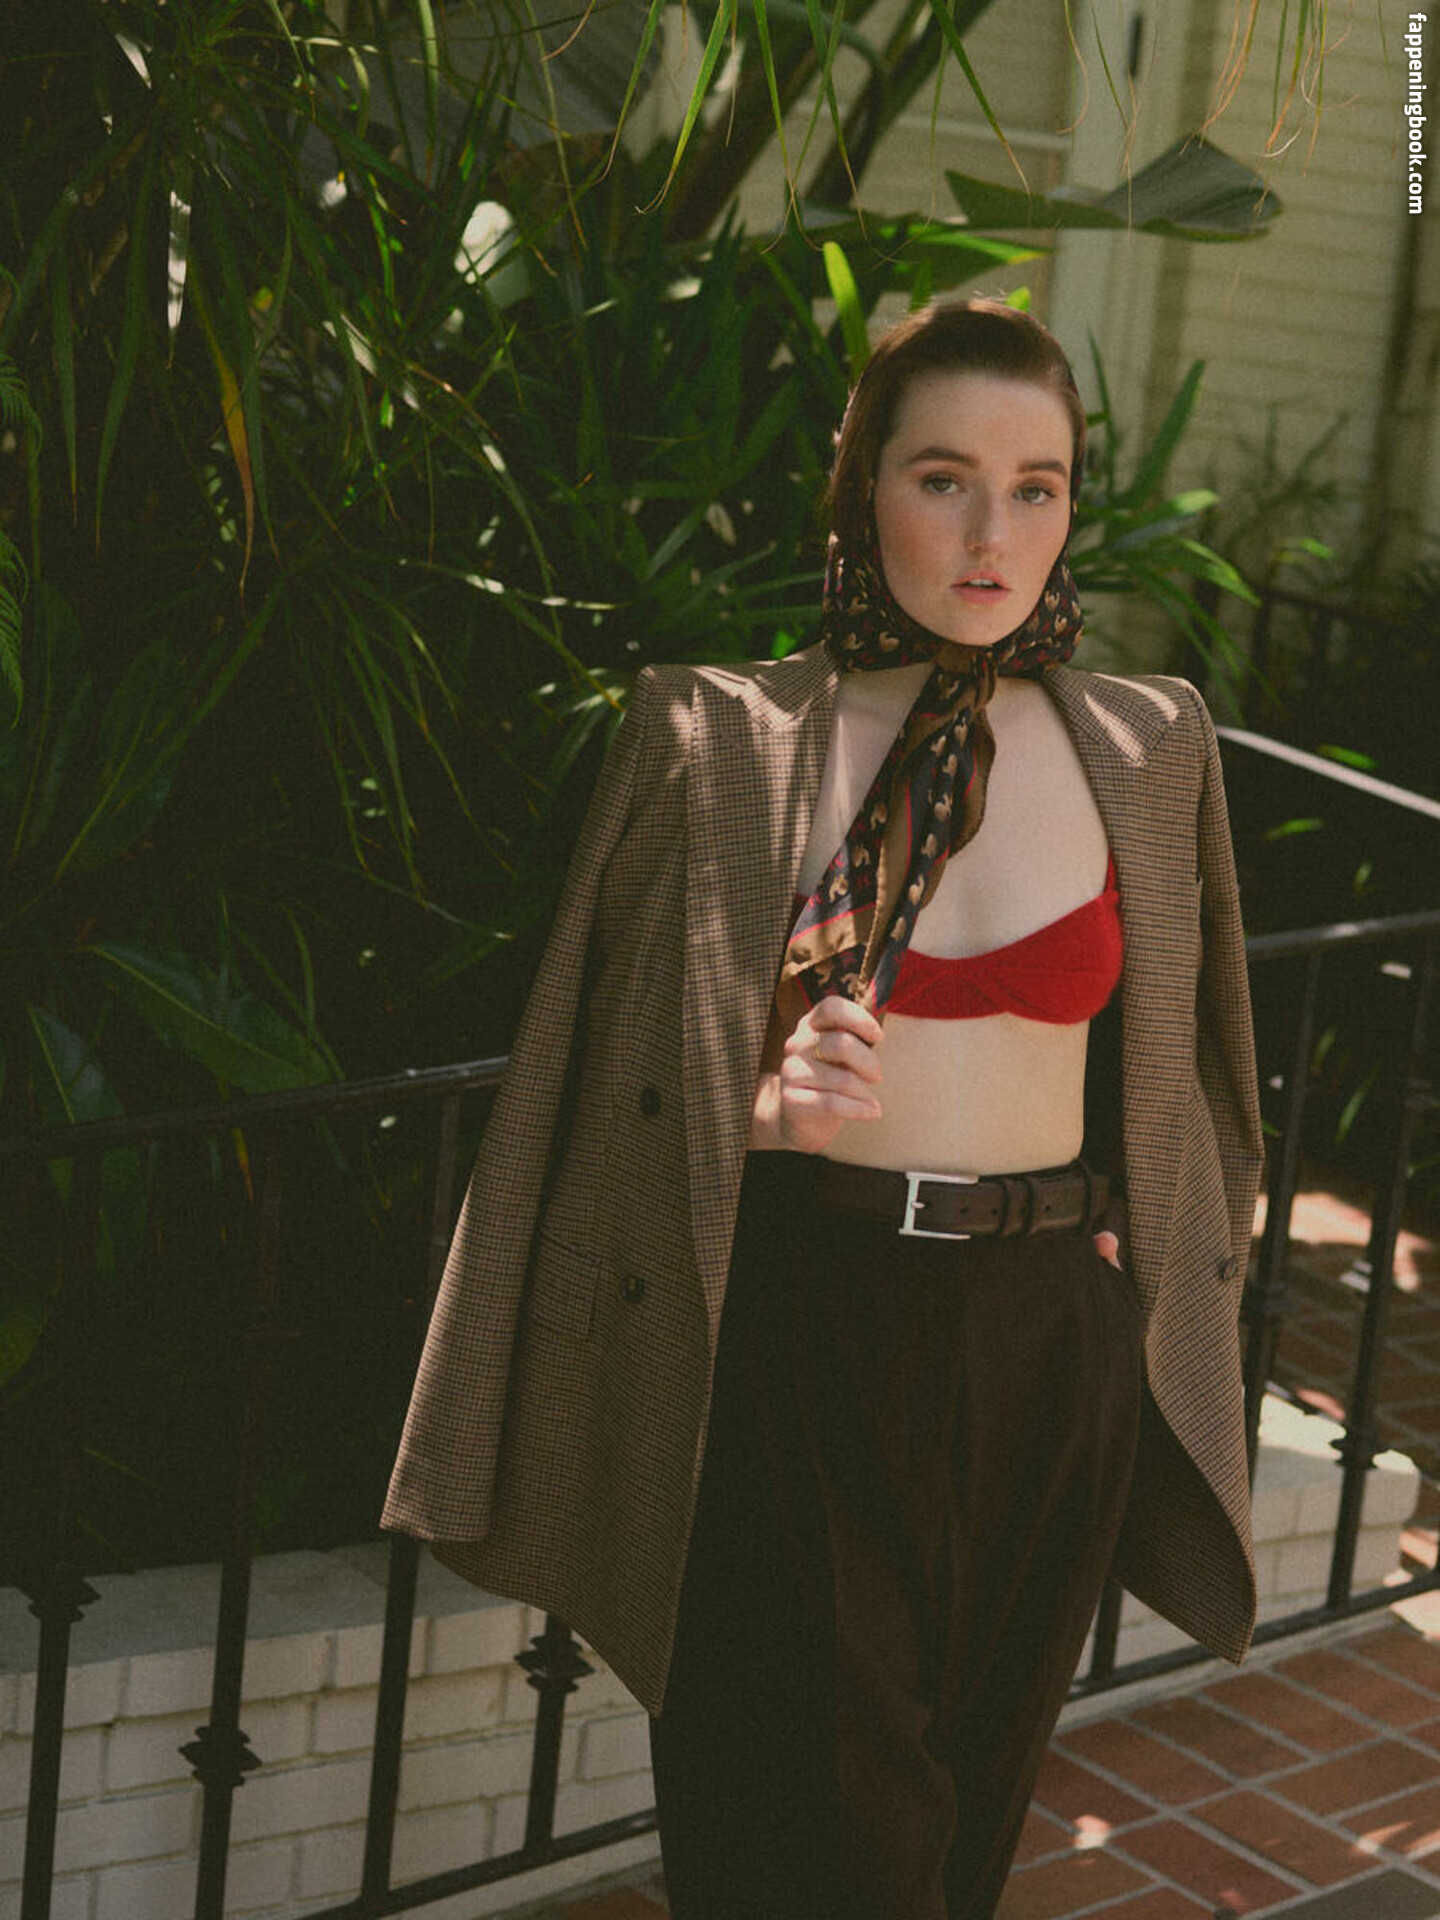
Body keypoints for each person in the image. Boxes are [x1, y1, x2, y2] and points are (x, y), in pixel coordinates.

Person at [383, 298, 1265, 1920]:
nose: (992, 534)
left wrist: (1142, 1254)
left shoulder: (1150, 747)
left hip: (1050, 1340)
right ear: (864, 486)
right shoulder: (720, 740)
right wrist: (757, 1111)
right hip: (806, 1325)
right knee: (819, 1843)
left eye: (1037, 487)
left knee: (958, 1836)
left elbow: (1192, 1069)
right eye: (944, 479)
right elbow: (591, 1101)